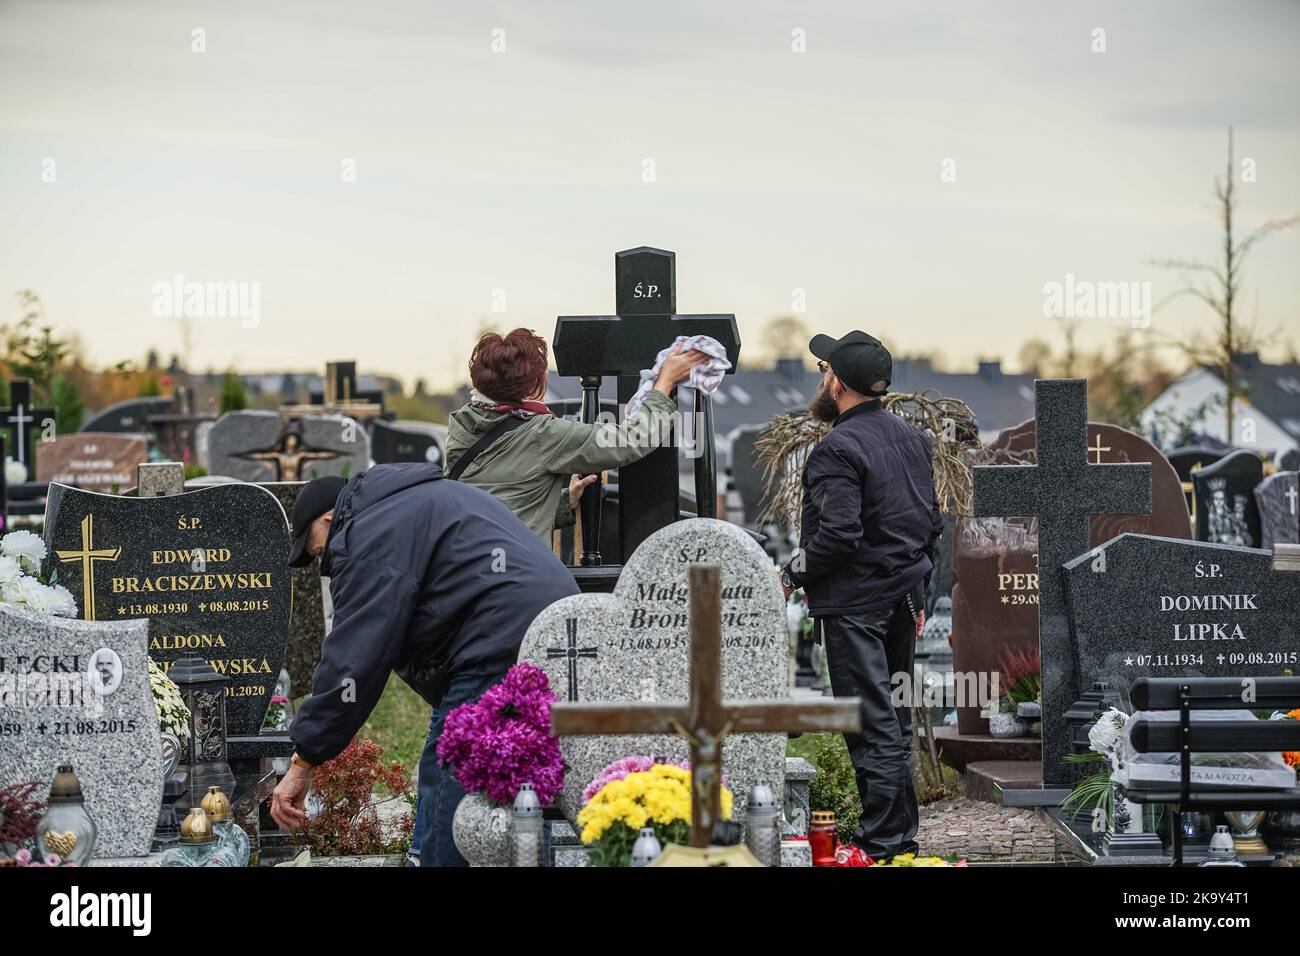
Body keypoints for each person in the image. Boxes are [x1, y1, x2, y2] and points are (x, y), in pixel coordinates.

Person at [268, 463, 579, 866]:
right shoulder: (404, 501)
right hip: (550, 623)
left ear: (329, 519)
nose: (325, 563)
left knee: (450, 766)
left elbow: (356, 656)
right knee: (504, 771)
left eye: (317, 551)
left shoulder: (366, 533)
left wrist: (305, 759)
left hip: (499, 636)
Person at [778, 330, 942, 860]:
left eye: (824, 370)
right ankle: (901, 842)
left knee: (871, 727)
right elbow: (931, 524)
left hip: (856, 607)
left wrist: (790, 574)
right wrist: (921, 589)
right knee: (890, 721)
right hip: (902, 598)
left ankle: (882, 845)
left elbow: (837, 537)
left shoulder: (837, 449)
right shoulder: (912, 438)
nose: (821, 379)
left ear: (837, 383)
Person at [445, 328, 709, 541]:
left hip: (464, 574)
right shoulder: (541, 434)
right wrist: (665, 381)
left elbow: (500, 505)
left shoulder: (461, 427)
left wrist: (563, 503)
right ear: (535, 385)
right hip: (515, 580)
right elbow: (630, 441)